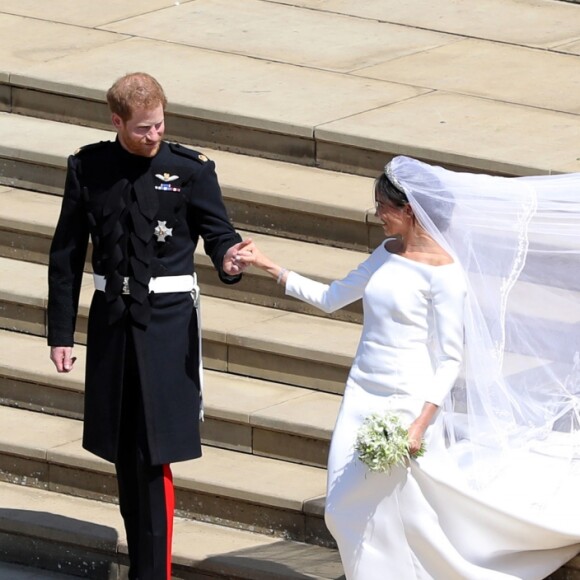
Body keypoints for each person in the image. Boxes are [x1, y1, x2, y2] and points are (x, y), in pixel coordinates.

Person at [235, 155, 580, 579]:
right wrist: (270, 266)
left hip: (407, 403)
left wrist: (420, 424)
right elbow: (332, 298)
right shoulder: (385, 252)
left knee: (395, 509)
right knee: (344, 506)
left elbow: (451, 357)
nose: (377, 213)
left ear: (410, 210)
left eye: (384, 206)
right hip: (362, 392)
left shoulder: (445, 275)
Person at [47, 72, 252, 580]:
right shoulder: (88, 167)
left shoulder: (191, 169)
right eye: (142, 128)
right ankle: (144, 563)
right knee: (123, 450)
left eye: (159, 125)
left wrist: (229, 260)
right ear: (117, 121)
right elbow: (66, 255)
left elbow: (218, 232)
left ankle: (152, 573)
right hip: (113, 325)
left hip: (166, 328)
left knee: (153, 453)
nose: (154, 135)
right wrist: (60, 334)